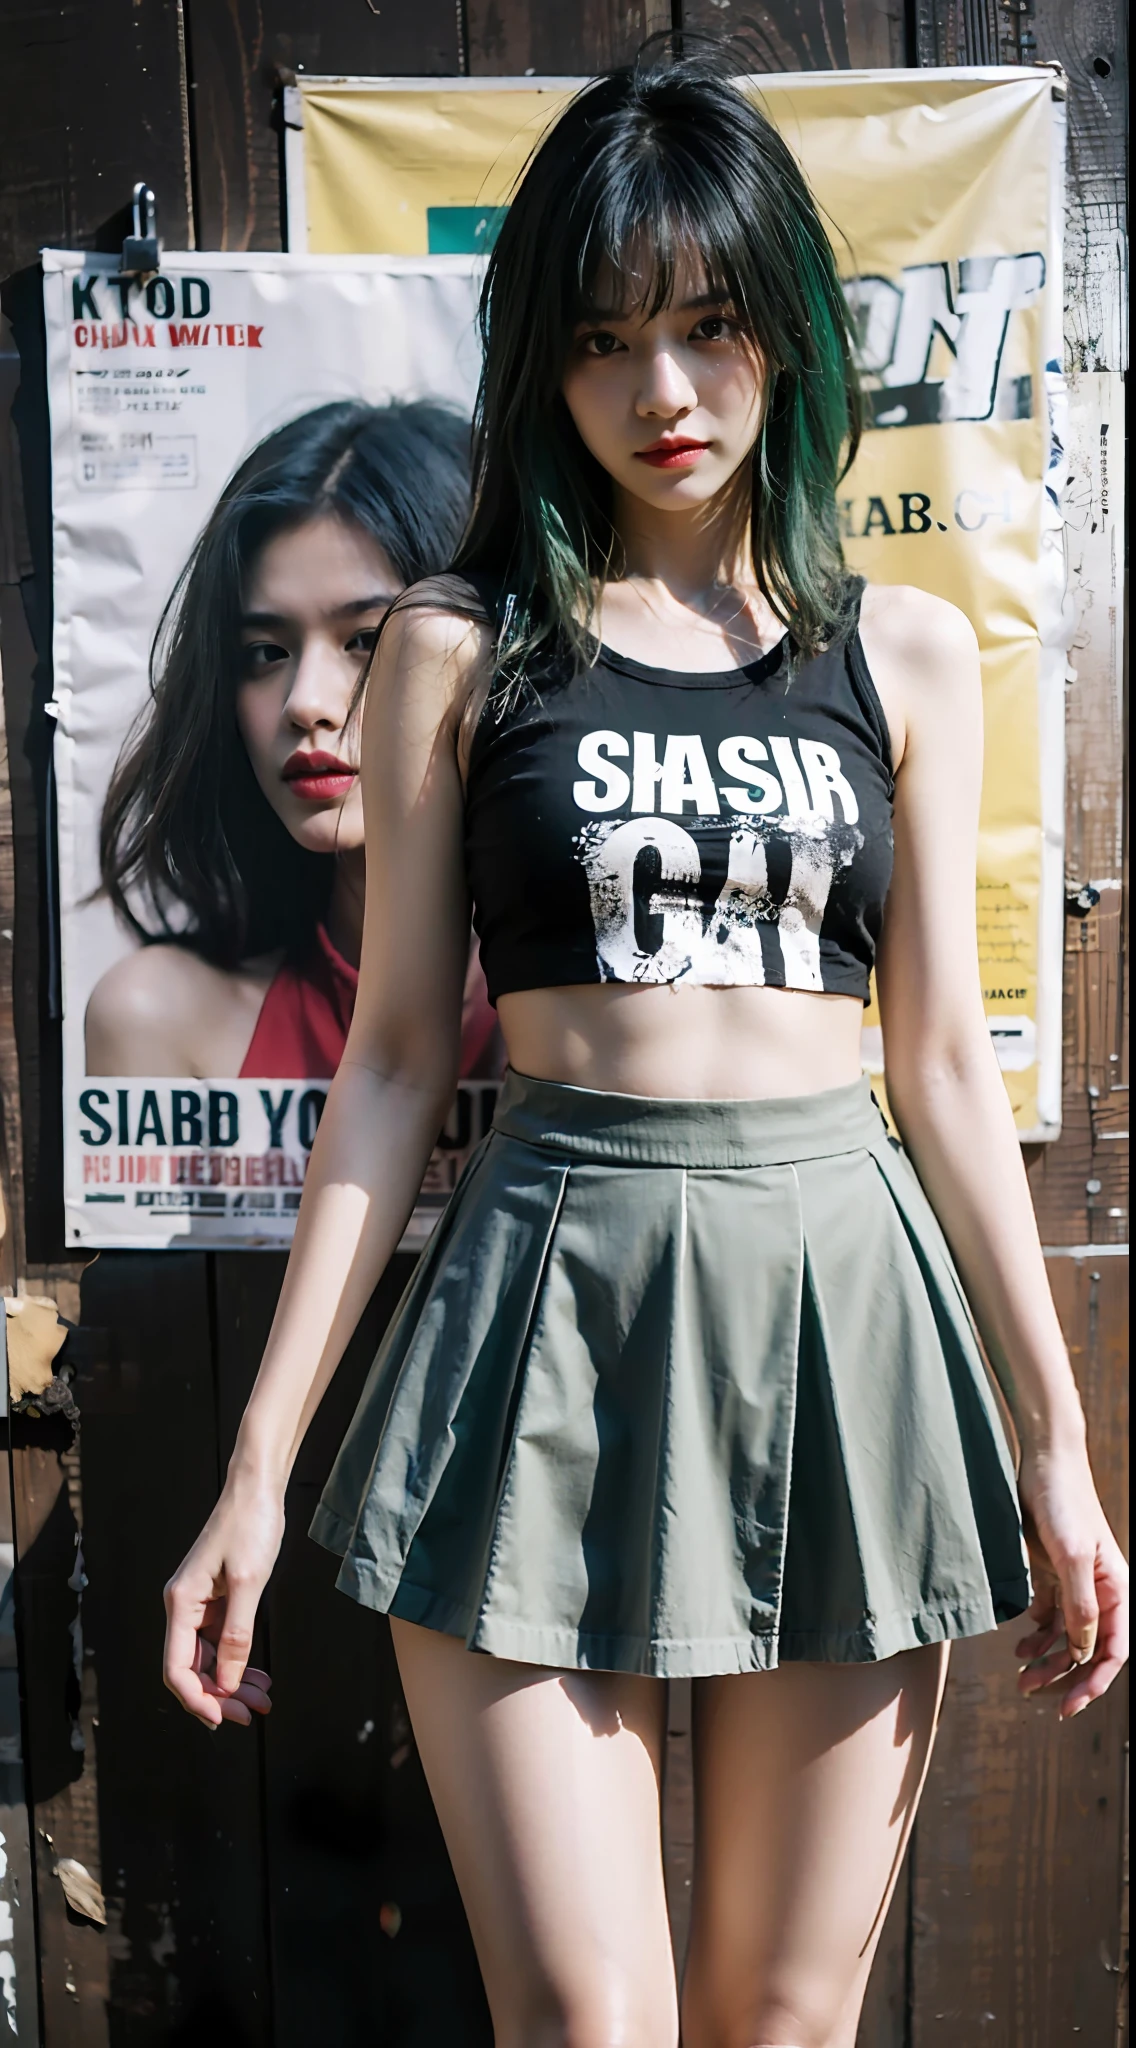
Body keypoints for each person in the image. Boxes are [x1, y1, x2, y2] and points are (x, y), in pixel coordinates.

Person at [162, 51, 1128, 2048]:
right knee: (586, 2025)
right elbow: (398, 1060)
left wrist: (1053, 1443)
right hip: (544, 1313)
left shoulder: (903, 651)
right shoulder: (460, 646)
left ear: (781, 326)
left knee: (779, 2020)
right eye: (604, 343)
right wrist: (257, 1473)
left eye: (703, 329)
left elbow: (943, 1065)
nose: (662, 395)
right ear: (545, 361)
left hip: (836, 1315)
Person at [87, 399, 500, 1080]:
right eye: (264, 652)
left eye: (367, 640)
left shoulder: (576, 1010)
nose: (306, 703)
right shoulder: (160, 1020)